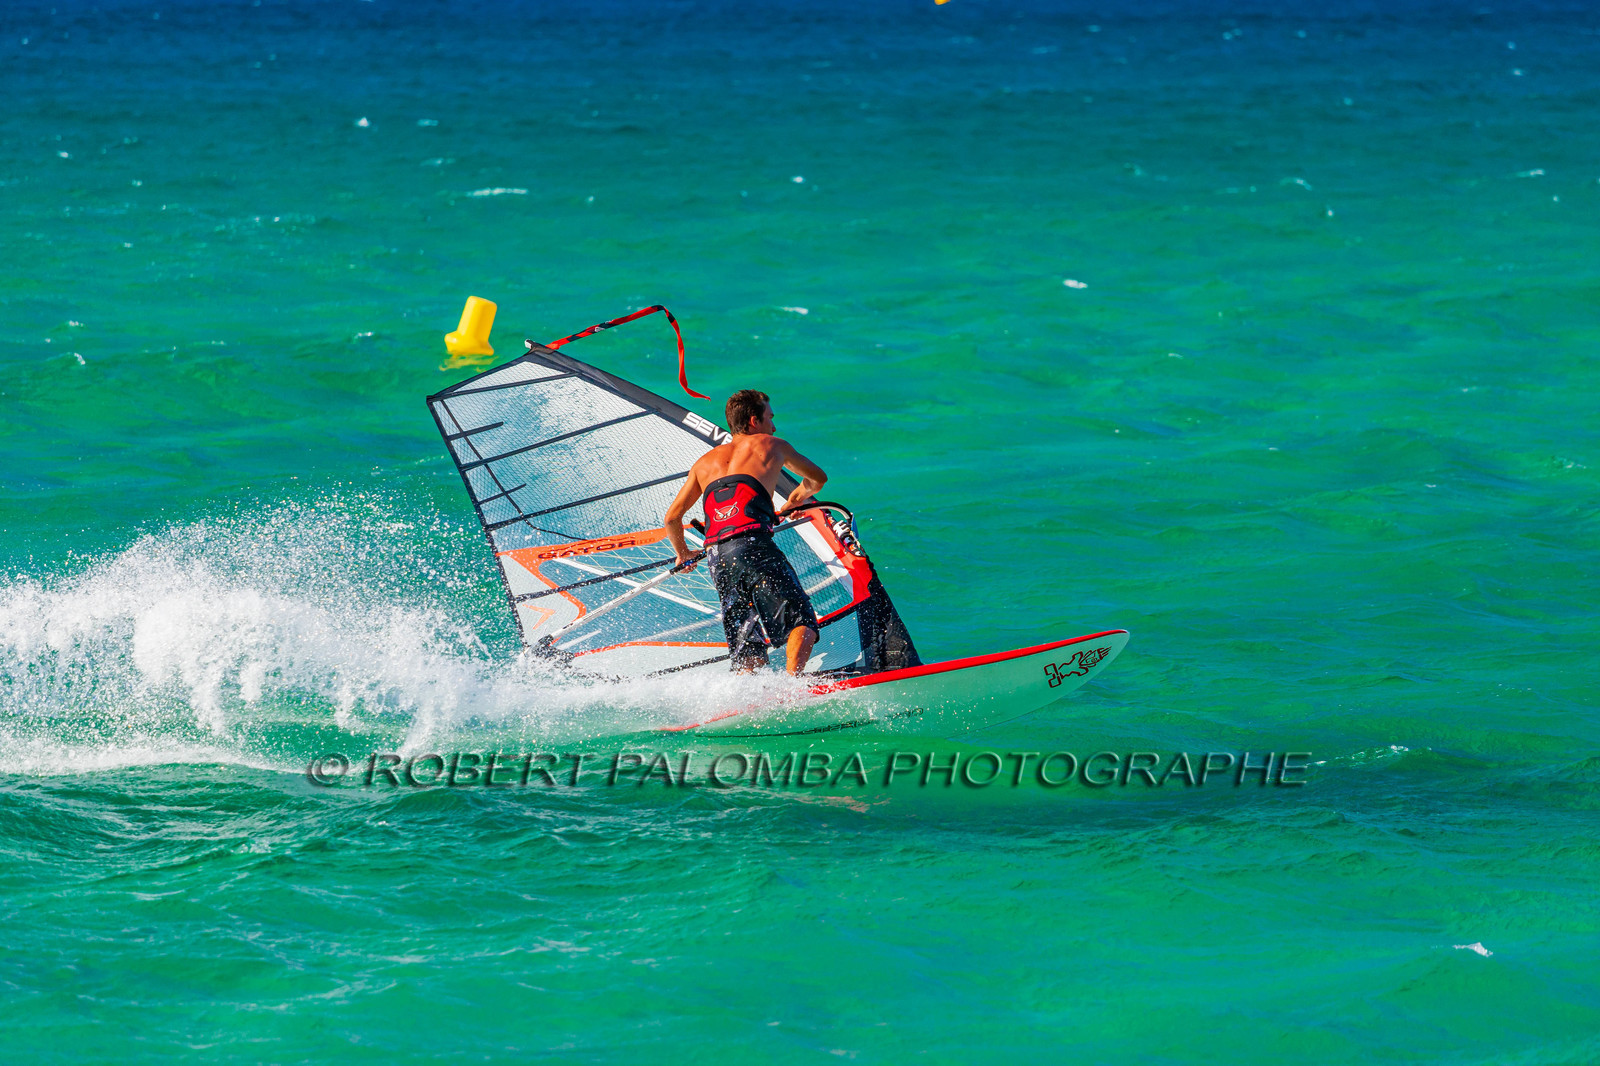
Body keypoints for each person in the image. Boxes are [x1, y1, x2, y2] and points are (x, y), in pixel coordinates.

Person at [663, 390, 826, 674]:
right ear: (754, 421)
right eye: (770, 418)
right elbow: (817, 478)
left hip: (718, 556)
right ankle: (793, 689)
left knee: (746, 643)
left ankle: (747, 700)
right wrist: (796, 498)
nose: (773, 426)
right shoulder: (772, 444)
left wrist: (683, 554)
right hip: (754, 546)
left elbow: (672, 518)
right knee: (802, 622)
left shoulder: (704, 462)